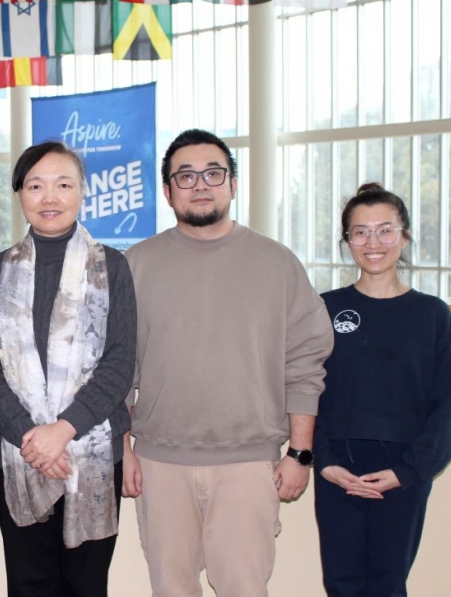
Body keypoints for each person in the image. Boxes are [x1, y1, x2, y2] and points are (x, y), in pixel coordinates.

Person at [123, 128, 335, 597]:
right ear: (167, 191)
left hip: (249, 463)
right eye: (186, 175)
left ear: (233, 184)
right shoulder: (135, 265)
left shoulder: (277, 264)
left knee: (244, 588)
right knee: (171, 589)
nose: (201, 184)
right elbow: (119, 368)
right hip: (160, 463)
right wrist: (123, 449)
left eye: (213, 172)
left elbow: (305, 362)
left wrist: (300, 454)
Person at [0, 141, 137, 597]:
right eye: (36, 185)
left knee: (86, 586)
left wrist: (63, 430)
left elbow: (121, 360)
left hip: (92, 451)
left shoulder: (112, 267)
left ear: (83, 191)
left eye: (64, 185)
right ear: (20, 194)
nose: (50, 198)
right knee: (29, 585)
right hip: (18, 451)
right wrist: (32, 437)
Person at [314, 183, 451, 597]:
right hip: (337, 466)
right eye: (359, 232)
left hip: (404, 470)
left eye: (385, 230)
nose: (372, 242)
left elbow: (447, 408)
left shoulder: (432, 315)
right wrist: (323, 460)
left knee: (387, 585)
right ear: (346, 241)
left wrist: (407, 472)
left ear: (405, 235)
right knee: (341, 584)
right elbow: (305, 388)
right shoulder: (323, 308)